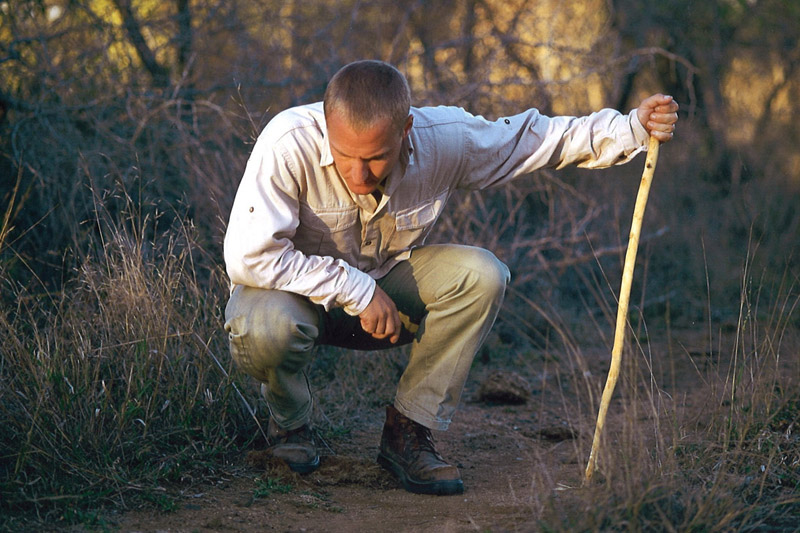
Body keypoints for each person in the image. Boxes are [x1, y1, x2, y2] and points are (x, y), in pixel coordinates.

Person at [223, 60, 678, 496]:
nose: (359, 174)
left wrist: (631, 127)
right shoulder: (287, 142)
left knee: (482, 275)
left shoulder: (443, 138)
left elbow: (532, 138)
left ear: (405, 131)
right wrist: (355, 289)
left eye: (377, 158)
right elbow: (249, 256)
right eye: (345, 157)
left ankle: (408, 433)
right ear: (325, 124)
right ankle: (290, 424)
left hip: (391, 301)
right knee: (263, 323)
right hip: (299, 305)